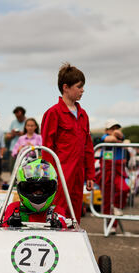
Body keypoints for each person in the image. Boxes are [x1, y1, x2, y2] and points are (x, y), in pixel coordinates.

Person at [41, 63, 95, 222]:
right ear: (66, 87)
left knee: (75, 215)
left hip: (78, 174)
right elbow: (47, 148)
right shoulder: (53, 113)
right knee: (58, 215)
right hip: (60, 174)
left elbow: (88, 147)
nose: (82, 90)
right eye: (79, 86)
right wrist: (49, 176)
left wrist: (90, 174)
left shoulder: (83, 114)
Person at [1, 159, 67, 228]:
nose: (38, 192)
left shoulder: (56, 210)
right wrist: (10, 223)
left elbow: (63, 224)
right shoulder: (14, 208)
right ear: (21, 188)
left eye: (43, 188)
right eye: (32, 188)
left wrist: (59, 225)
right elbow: (4, 232)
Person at [97, 119, 130, 233]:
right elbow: (109, 139)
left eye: (117, 127)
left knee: (124, 189)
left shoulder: (121, 136)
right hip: (106, 170)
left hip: (118, 170)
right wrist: (117, 139)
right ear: (106, 130)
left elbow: (119, 135)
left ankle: (116, 207)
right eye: (112, 128)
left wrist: (117, 135)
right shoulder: (104, 137)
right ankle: (110, 225)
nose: (115, 130)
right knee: (106, 200)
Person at [6, 106, 27, 170]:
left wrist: (22, 134)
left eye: (19, 116)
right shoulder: (13, 122)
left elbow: (33, 135)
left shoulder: (28, 122)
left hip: (25, 150)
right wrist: (13, 134)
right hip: (13, 149)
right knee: (12, 168)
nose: (18, 118)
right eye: (16, 116)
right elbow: (7, 137)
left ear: (23, 114)